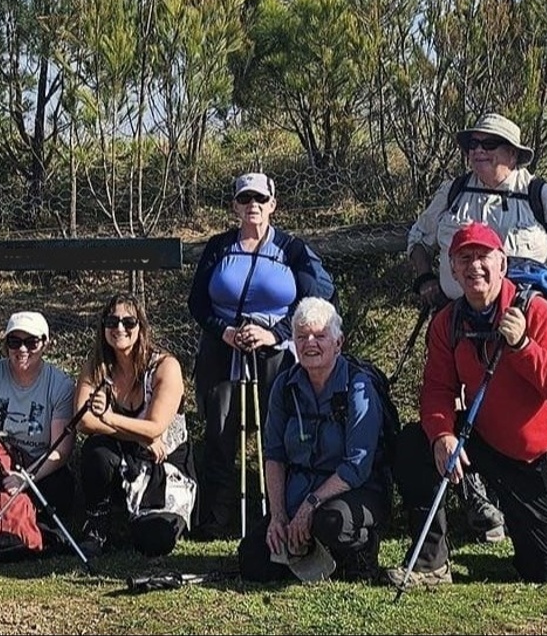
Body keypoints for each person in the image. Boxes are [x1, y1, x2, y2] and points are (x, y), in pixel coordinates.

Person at [405, 112, 547, 542]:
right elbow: (419, 236)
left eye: (488, 144)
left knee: (537, 405)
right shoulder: (454, 191)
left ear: (512, 154)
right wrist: (425, 282)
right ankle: (476, 500)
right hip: (459, 325)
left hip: (523, 320)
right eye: (472, 143)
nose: (477, 150)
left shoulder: (537, 193)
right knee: (455, 409)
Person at [390, 222, 547, 587]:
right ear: (452, 269)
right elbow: (436, 389)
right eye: (464, 258)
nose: (474, 266)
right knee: (415, 443)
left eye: (483, 257)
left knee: (541, 569)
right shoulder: (448, 323)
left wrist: (524, 346)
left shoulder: (536, 312)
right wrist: (442, 435)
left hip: (536, 456)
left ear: (502, 265)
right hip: (485, 435)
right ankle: (430, 562)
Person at [187, 171, 334, 540]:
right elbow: (197, 301)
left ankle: (280, 512)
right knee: (219, 429)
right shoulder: (219, 246)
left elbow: (316, 296)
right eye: (244, 199)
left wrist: (276, 333)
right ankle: (216, 519)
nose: (252, 206)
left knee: (278, 431)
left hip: (275, 353)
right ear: (235, 205)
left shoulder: (292, 248)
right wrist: (225, 331)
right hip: (222, 349)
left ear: (273, 204)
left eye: (260, 200)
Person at [237, 297, 391, 583]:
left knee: (329, 523)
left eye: (320, 336)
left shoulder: (358, 386)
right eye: (301, 336)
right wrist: (278, 516)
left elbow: (357, 465)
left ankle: (360, 553)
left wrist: (309, 506)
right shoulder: (284, 386)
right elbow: (274, 455)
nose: (310, 343)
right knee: (252, 560)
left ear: (338, 343)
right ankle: (308, 552)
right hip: (297, 494)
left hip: (353, 491)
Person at [73, 294, 195, 559]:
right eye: (112, 321)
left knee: (154, 542)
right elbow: (83, 420)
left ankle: (146, 523)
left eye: (129, 322)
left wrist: (109, 418)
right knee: (96, 449)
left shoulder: (165, 367)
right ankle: (97, 525)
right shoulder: (96, 366)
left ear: (141, 327)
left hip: (163, 464)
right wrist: (138, 436)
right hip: (125, 460)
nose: (119, 329)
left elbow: (155, 427)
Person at [0, 311, 78, 519]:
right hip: (0, 462)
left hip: (42, 467)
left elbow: (61, 450)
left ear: (45, 344)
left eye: (31, 342)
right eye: (14, 342)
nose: (22, 349)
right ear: (6, 345)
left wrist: (26, 478)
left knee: (59, 490)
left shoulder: (61, 385)